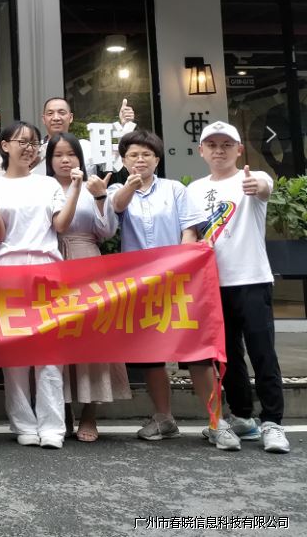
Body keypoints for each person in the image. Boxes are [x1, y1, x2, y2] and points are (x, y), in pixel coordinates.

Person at [107, 130, 228, 449]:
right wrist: (129, 187)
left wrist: (178, 267)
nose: (140, 160)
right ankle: (163, 418)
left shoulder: (175, 189)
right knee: (151, 355)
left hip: (177, 282)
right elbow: (115, 209)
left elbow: (189, 230)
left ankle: (217, 421)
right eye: (133, 155)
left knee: (196, 352)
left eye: (146, 154)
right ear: (123, 160)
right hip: (140, 285)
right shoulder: (119, 189)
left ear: (157, 159)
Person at [188, 121, 289, 453]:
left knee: (262, 352)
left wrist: (256, 185)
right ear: (201, 151)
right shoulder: (194, 190)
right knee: (227, 355)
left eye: (226, 145)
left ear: (239, 150)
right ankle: (243, 417)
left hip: (252, 280)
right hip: (213, 284)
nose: (219, 151)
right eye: (212, 145)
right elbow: (192, 234)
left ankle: (273, 422)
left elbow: (263, 187)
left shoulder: (252, 178)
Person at [0, 121, 80, 450]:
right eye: (21, 142)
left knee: (49, 351)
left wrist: (75, 189)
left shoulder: (48, 184)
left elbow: (61, 225)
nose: (28, 148)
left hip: (46, 267)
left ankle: (52, 426)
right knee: (15, 351)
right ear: (5, 146)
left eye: (33, 143)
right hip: (8, 268)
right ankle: (23, 423)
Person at [45, 133, 130, 443]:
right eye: (58, 155)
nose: (65, 160)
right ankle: (62, 410)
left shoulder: (91, 186)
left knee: (90, 337)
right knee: (56, 339)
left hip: (86, 260)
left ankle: (89, 413)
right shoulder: (43, 186)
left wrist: (100, 197)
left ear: (80, 158)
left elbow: (107, 231)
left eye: (71, 154)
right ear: (49, 160)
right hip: (51, 261)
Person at [36, 97, 96, 176]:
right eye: (50, 113)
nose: (56, 118)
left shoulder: (88, 147)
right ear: (44, 119)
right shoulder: (35, 149)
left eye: (62, 113)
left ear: (71, 117)